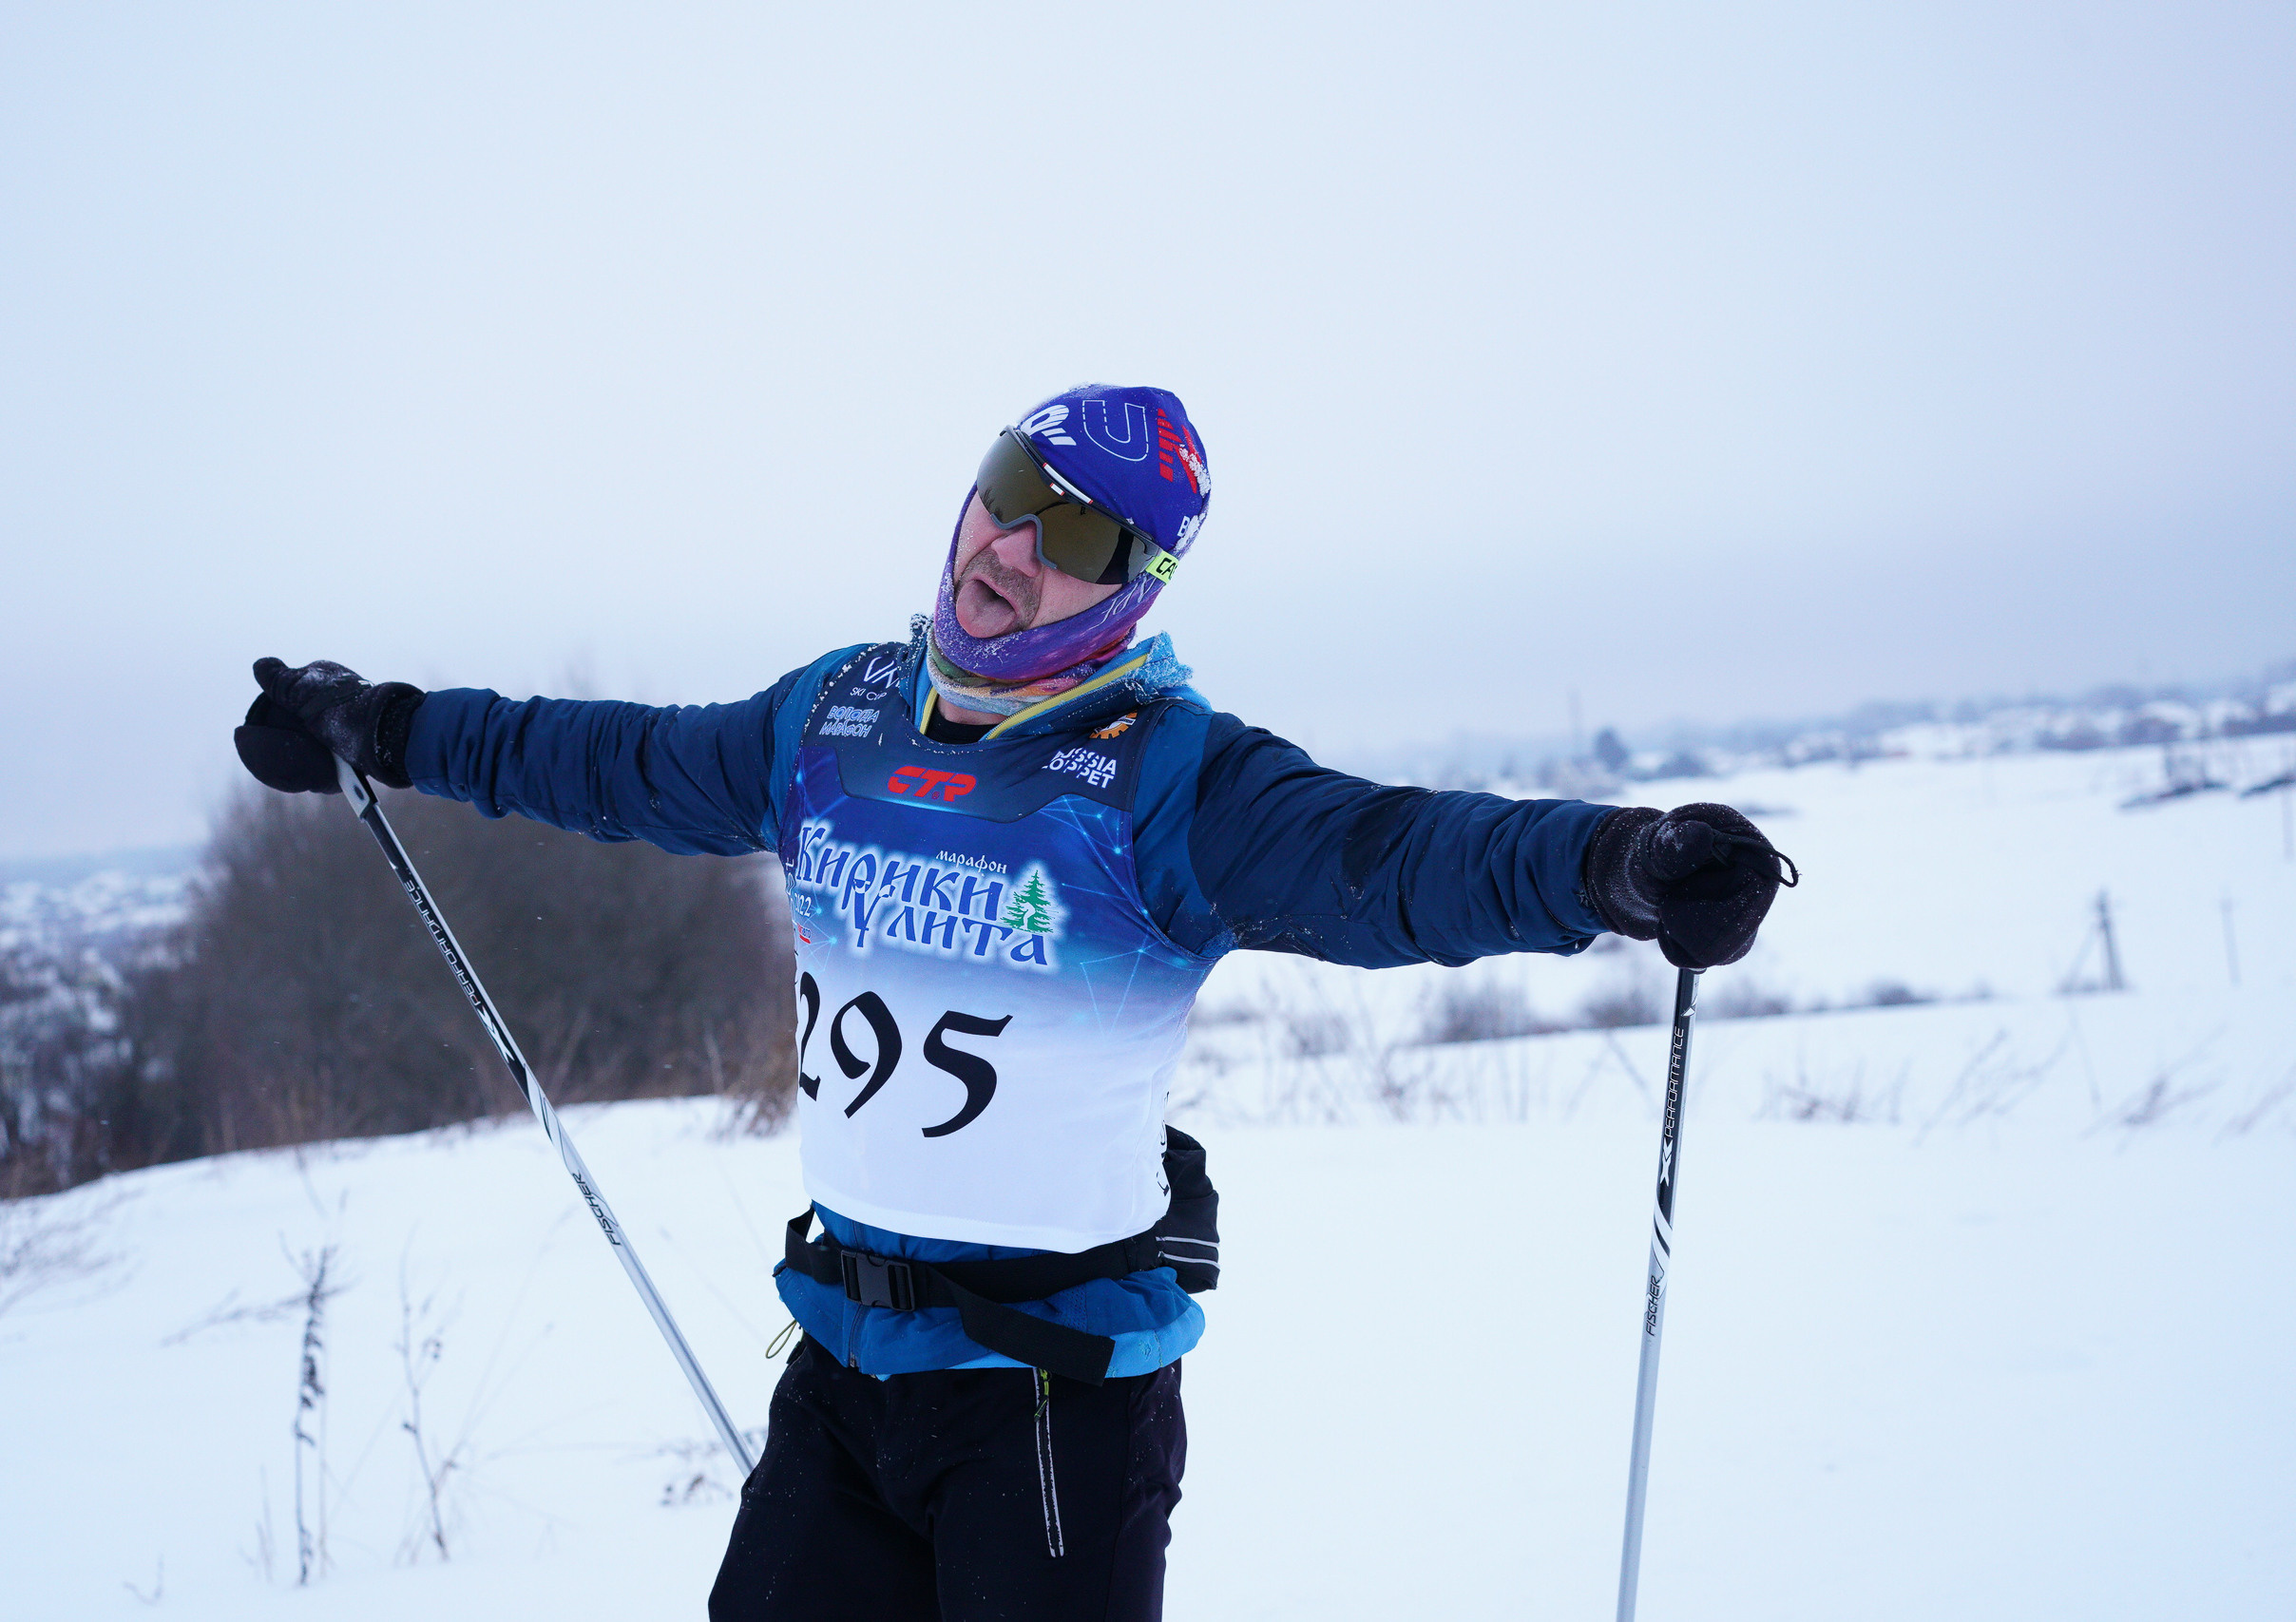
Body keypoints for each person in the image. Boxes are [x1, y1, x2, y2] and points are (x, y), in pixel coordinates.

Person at [234, 382, 1789, 1621]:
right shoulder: (830, 717)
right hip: (843, 1361)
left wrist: (1616, 866)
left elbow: (1388, 857)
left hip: (1050, 1406)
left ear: (1135, 585)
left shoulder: (1164, 776)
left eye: (1079, 537)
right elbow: (618, 760)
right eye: (1007, 489)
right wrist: (390, 726)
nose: (1010, 544)